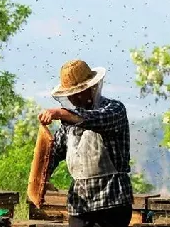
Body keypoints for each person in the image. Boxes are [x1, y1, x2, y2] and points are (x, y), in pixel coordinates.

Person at [38, 59, 133, 227]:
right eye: (71, 94)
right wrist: (41, 178)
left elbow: (93, 119)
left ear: (90, 88)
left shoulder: (114, 109)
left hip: (112, 202)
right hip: (79, 204)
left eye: (78, 93)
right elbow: (53, 153)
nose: (73, 98)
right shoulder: (68, 124)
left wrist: (60, 113)